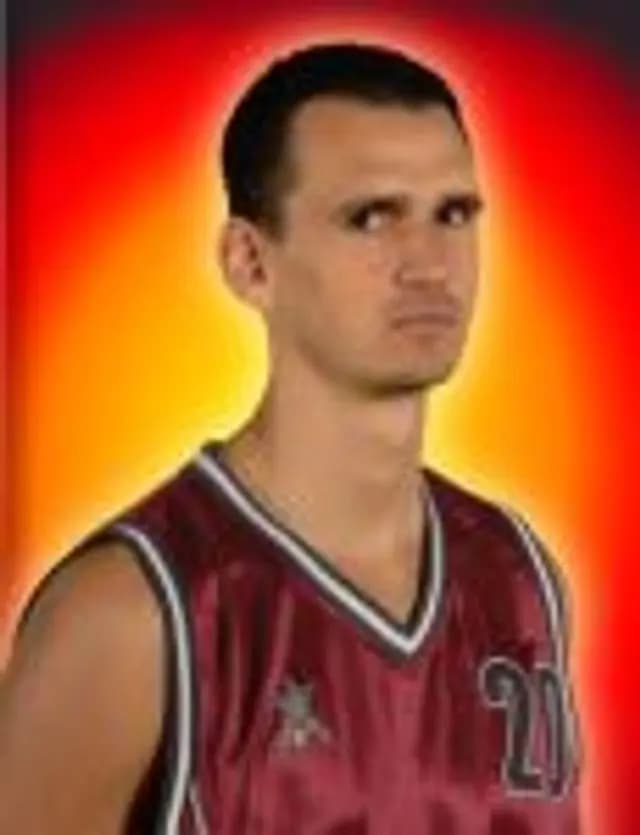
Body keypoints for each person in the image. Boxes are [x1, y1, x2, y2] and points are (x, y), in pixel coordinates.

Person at [0, 42, 582, 834]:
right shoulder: (128, 612)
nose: (429, 264)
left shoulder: (520, 575)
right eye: (370, 218)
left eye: (453, 214)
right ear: (249, 261)